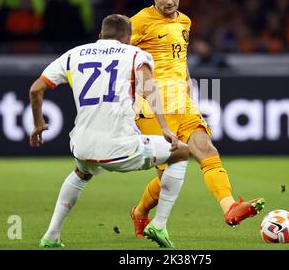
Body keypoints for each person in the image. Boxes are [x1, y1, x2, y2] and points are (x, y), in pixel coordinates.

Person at [29, 14, 189, 248]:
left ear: (100, 35)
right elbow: (149, 89)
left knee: (81, 173)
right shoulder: (135, 54)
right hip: (121, 147)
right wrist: (164, 127)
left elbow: (35, 90)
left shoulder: (74, 54)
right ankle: (160, 224)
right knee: (182, 152)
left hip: (81, 146)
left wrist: (38, 124)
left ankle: (51, 236)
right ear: (128, 38)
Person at [129, 0, 265, 238]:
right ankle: (140, 212)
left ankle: (230, 208)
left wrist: (189, 86)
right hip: (153, 109)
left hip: (183, 102)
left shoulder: (185, 22)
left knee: (207, 149)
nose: (169, 2)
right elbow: (113, 51)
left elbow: (180, 59)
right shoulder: (139, 22)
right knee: (167, 178)